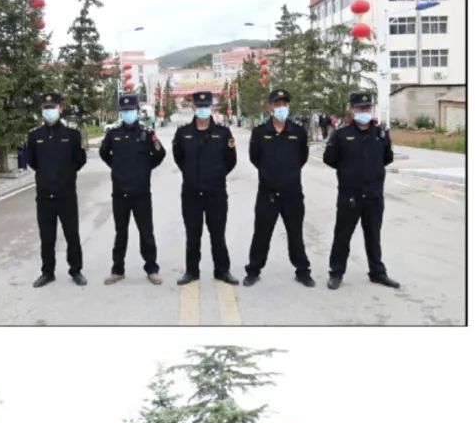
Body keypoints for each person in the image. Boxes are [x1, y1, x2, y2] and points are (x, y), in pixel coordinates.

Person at [323, 91, 399, 290]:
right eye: (359, 107)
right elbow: (330, 159)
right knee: (342, 236)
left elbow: (387, 158)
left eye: (367, 107)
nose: (364, 110)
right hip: (350, 196)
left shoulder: (381, 134)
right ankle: (336, 273)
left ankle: (377, 273)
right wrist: (349, 172)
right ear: (352, 109)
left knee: (373, 236)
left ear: (371, 109)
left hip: (374, 195)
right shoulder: (341, 135)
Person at [244, 89, 314, 287]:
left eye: (284, 104)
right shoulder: (260, 132)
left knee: (295, 234)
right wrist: (270, 175)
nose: (281, 107)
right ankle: (253, 270)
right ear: (270, 107)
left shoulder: (298, 132)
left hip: (292, 194)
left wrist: (288, 175)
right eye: (277, 104)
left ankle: (302, 271)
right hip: (267, 195)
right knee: (261, 234)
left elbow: (302, 158)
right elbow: (255, 158)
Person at [98, 91, 167, 284]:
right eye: (124, 110)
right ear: (121, 112)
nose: (128, 113)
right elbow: (104, 153)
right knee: (121, 233)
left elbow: (160, 154)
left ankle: (152, 269)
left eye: (131, 110)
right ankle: (117, 270)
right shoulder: (113, 133)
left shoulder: (147, 133)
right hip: (120, 193)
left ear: (137, 111)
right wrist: (116, 167)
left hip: (141, 193)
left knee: (146, 232)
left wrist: (145, 169)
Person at [171, 91, 238, 285]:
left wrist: (216, 175)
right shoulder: (183, 133)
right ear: (194, 108)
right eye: (199, 106)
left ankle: (222, 271)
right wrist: (192, 175)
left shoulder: (223, 133)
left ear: (211, 107)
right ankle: (191, 271)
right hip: (191, 194)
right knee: (193, 235)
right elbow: (179, 158)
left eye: (206, 106)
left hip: (215, 194)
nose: (202, 109)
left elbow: (231, 160)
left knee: (218, 234)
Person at [25, 91, 87, 287]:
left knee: (72, 235)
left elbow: (80, 160)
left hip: (66, 195)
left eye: (52, 108)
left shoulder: (72, 135)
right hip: (44, 197)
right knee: (47, 238)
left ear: (60, 108)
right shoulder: (34, 136)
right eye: (46, 108)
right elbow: (32, 162)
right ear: (41, 110)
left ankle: (76, 271)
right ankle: (47, 272)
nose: (49, 111)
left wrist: (65, 175)